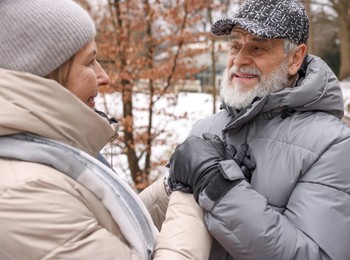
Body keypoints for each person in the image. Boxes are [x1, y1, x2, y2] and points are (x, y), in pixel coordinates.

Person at [0, 0, 211, 259]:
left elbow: (112, 226)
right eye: (89, 63)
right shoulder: (21, 194)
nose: (105, 77)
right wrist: (191, 194)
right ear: (44, 77)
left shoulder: (48, 154)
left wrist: (171, 187)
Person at [167, 0, 350, 259]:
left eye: (258, 47)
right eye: (235, 46)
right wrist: (172, 185)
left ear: (295, 58)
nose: (239, 60)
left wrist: (219, 187)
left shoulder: (335, 145)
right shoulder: (206, 127)